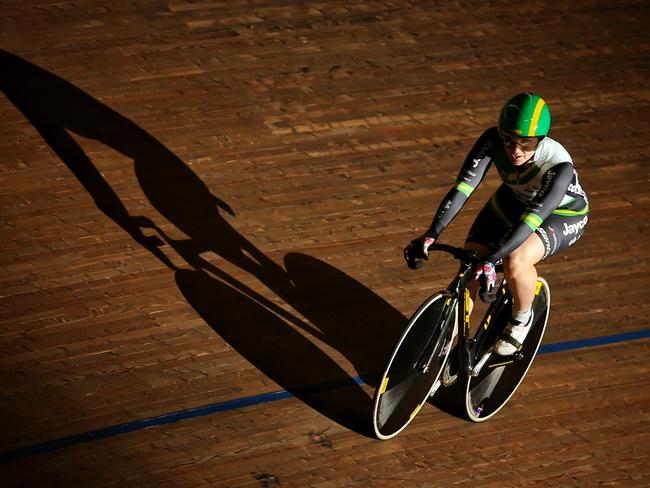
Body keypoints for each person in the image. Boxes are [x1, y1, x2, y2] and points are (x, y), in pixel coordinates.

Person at [405, 92, 589, 355]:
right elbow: (462, 189)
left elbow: (531, 221)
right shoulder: (491, 140)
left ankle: (521, 317)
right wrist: (431, 233)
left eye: (526, 144)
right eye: (510, 141)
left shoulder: (559, 167)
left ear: (541, 140)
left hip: (561, 213)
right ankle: (442, 343)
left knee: (515, 260)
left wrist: (493, 259)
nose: (516, 151)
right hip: (514, 200)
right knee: (470, 262)